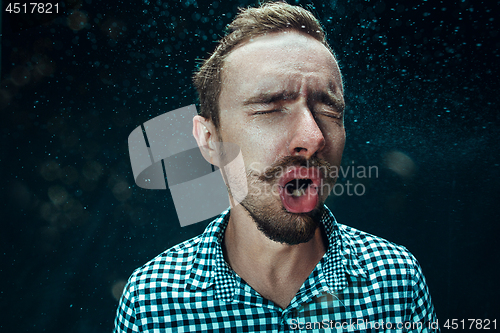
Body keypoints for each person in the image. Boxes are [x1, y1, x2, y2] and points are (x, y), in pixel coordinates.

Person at [114, 2, 439, 332]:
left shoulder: (397, 282)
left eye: (329, 111)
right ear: (210, 140)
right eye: (270, 108)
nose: (313, 138)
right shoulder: (151, 300)